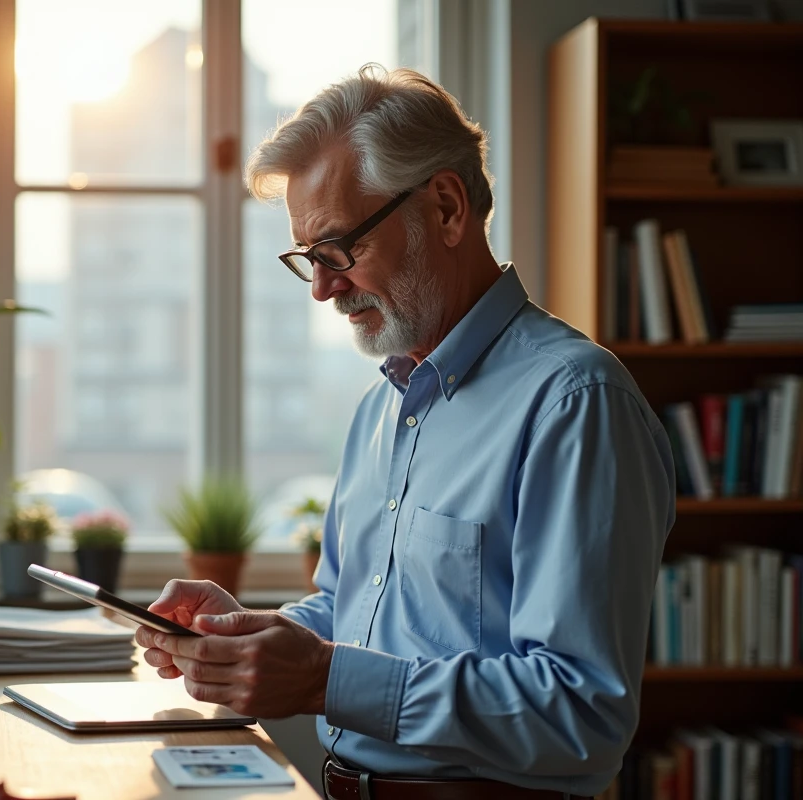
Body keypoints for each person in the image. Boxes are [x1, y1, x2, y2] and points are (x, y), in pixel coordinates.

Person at [135, 65, 675, 799]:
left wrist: (324, 677)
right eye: (309, 261)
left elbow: (580, 711)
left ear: (446, 208)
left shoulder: (574, 402)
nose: (323, 288)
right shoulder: (380, 407)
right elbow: (352, 609)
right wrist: (250, 634)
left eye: (337, 249)